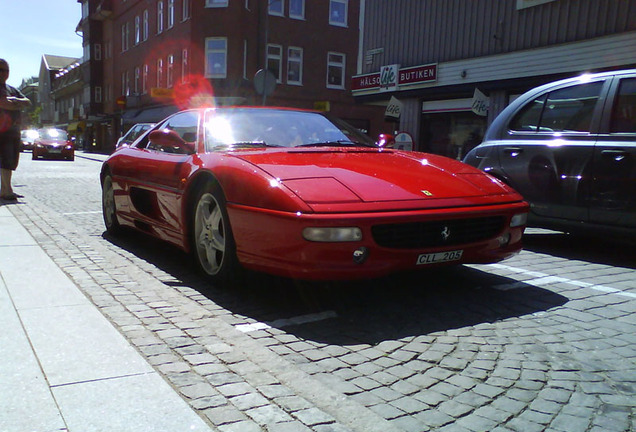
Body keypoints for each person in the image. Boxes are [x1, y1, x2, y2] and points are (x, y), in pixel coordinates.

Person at [0, 59, 31, 201]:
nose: (3, 73)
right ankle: (6, 191)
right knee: (5, 159)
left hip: (13, 130)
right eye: (1, 70)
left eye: (6, 70)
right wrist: (16, 103)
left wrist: (14, 101)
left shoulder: (11, 89)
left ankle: (6, 189)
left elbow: (27, 102)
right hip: (2, 130)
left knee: (11, 160)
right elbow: (4, 104)